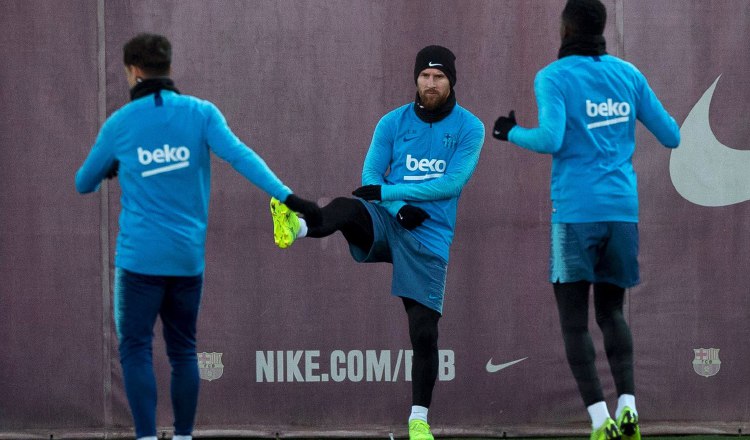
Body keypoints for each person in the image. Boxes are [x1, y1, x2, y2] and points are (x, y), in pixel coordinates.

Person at [75, 33, 320, 440]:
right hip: (187, 260)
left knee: (135, 349)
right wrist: (290, 197)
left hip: (138, 262)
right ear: (169, 68)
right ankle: (185, 437)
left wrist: (111, 166)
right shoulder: (201, 114)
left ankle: (147, 437)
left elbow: (84, 182)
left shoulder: (120, 124)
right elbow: (243, 157)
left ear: (132, 71)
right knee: (183, 350)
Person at [269, 45, 484, 440]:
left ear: (452, 80)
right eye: (424, 76)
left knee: (423, 332)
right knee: (347, 208)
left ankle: (418, 421)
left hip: (429, 236)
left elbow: (451, 183)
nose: (431, 83)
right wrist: (397, 205)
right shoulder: (392, 122)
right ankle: (297, 226)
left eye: (438, 77)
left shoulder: (471, 128)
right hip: (388, 219)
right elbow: (370, 178)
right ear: (415, 79)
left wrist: (392, 193)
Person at [492, 1, 680, 439]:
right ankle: (629, 408)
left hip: (575, 216)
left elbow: (551, 138)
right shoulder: (629, 75)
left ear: (566, 28)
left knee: (574, 322)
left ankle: (600, 421)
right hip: (621, 214)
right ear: (602, 27)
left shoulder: (553, 76)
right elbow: (672, 134)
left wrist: (510, 132)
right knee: (613, 313)